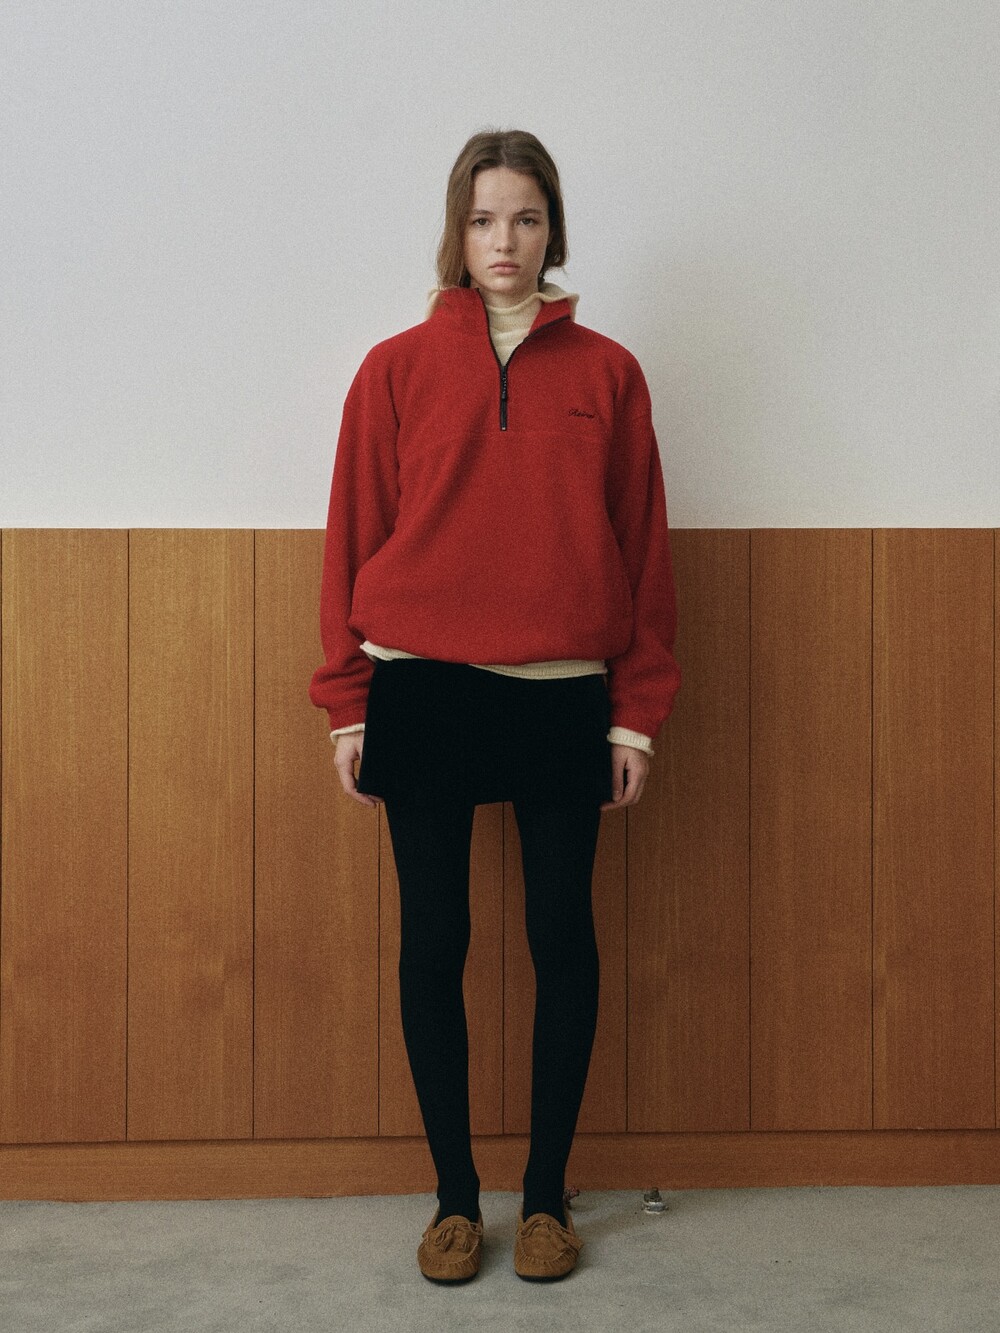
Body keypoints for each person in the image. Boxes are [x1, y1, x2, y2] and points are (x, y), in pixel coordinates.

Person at [309, 128, 680, 1284]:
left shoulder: (608, 373)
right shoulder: (394, 369)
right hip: (420, 688)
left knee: (562, 936)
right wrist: (347, 702)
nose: (503, 240)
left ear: (550, 227)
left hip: (561, 695)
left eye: (523, 217)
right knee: (435, 940)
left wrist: (634, 713)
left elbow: (643, 551)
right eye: (482, 220)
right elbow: (352, 536)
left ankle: (549, 1198)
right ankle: (455, 1202)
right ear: (455, 231)